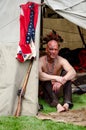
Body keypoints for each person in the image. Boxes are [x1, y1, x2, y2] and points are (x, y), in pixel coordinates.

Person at [39, 39, 76, 112]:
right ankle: (57, 105)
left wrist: (62, 81)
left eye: (55, 49)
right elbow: (40, 75)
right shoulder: (41, 60)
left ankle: (67, 103)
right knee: (46, 79)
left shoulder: (61, 60)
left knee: (66, 74)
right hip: (47, 92)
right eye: (51, 49)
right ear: (46, 49)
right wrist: (56, 78)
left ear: (58, 50)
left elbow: (73, 72)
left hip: (58, 89)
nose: (53, 52)